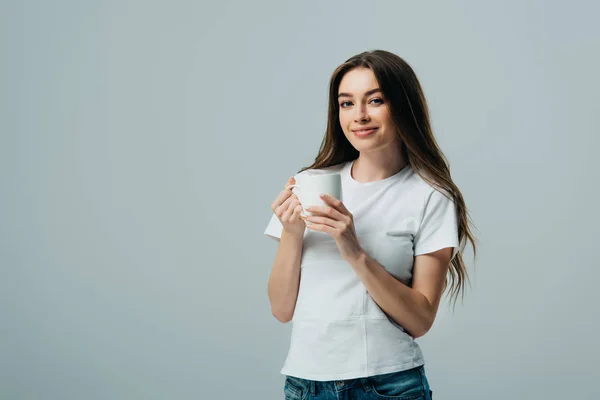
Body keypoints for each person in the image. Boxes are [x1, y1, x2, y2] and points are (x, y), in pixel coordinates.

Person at [263, 50, 477, 400]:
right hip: (305, 384)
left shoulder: (430, 196)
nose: (359, 116)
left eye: (374, 100)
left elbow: (420, 320)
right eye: (346, 104)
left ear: (402, 106)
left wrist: (355, 251)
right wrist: (291, 232)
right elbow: (281, 309)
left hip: (387, 385)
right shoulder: (310, 182)